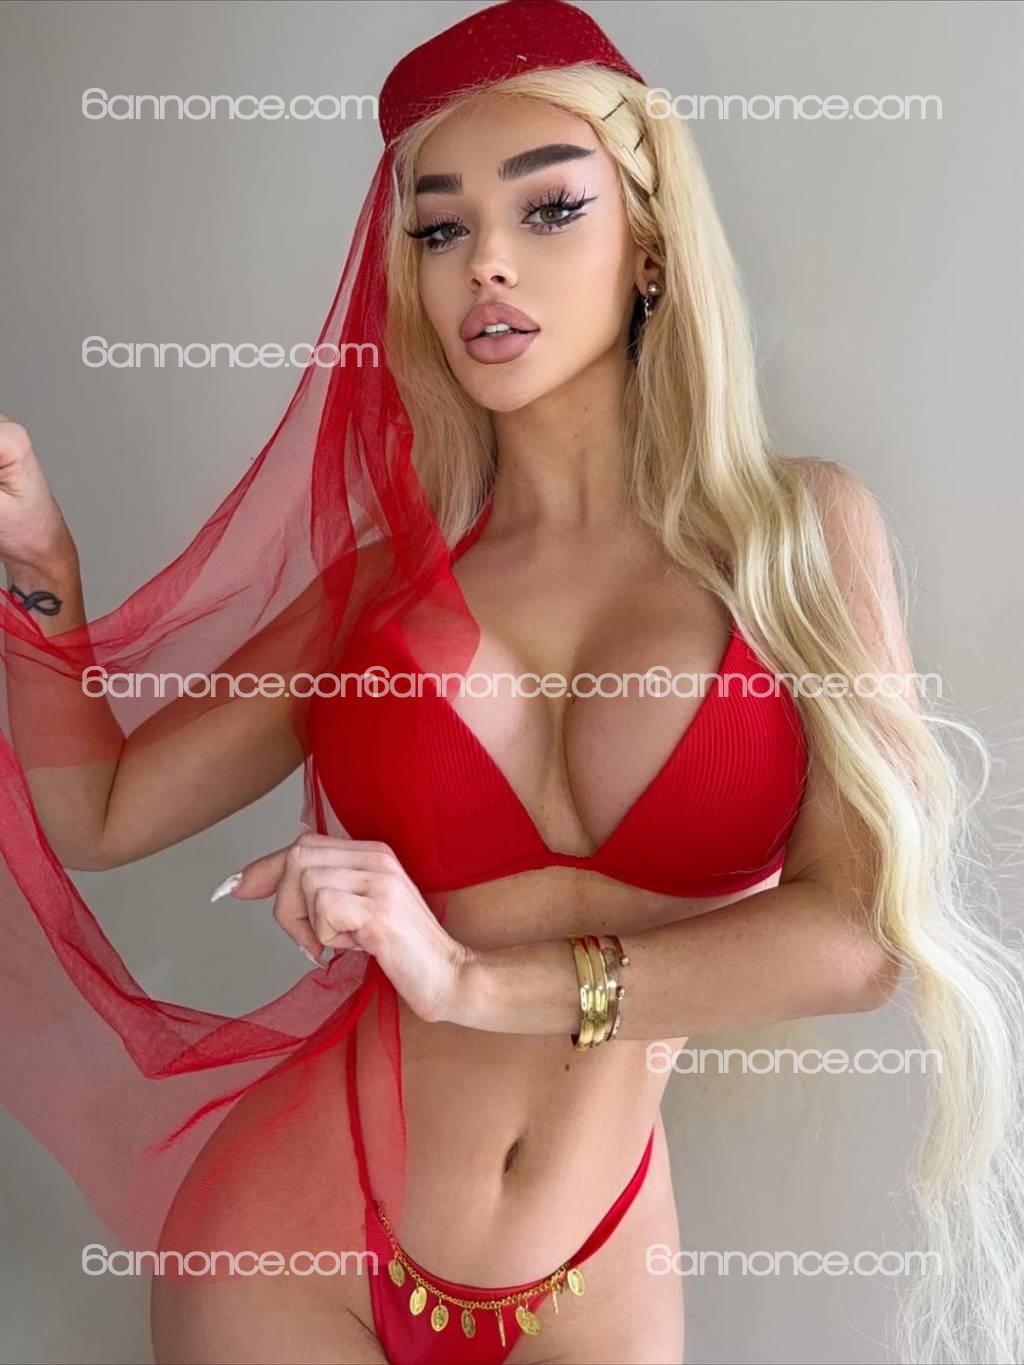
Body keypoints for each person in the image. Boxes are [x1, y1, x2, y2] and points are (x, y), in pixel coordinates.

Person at [1, 4, 1021, 1364]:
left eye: (548, 210)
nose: (487, 260)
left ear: (648, 246)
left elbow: (855, 940)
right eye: (440, 229)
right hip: (290, 1251)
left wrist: (471, 981)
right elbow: (100, 812)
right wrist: (41, 574)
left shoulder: (800, 541)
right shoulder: (378, 591)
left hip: (595, 1276)